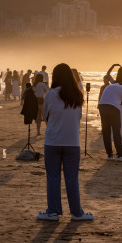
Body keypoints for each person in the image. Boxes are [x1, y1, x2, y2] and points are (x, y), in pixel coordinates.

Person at [37, 63, 94, 222]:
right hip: (72, 142)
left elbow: (45, 115)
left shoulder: (50, 94)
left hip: (53, 141)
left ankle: (53, 211)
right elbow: (79, 117)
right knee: (72, 178)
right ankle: (77, 212)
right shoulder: (78, 95)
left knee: (53, 177)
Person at [98, 77, 122, 161]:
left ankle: (109, 155)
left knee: (106, 131)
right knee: (116, 131)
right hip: (113, 108)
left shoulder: (109, 86)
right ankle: (120, 155)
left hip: (101, 106)